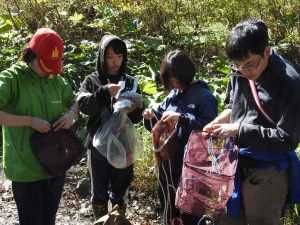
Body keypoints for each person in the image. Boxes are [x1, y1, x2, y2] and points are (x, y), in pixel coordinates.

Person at [203, 18, 300, 225]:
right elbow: (232, 106)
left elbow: (287, 139)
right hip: (235, 162)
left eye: (250, 65)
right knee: (227, 220)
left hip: (268, 170)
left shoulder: (290, 83)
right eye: (237, 66)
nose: (244, 71)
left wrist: (239, 129)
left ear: (267, 51)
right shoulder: (239, 69)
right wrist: (218, 122)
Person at [0, 28, 78, 225]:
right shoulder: (11, 79)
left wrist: (71, 115)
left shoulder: (56, 80)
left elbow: (75, 102)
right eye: (45, 65)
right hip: (25, 169)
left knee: (48, 220)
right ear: (32, 55)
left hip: (55, 164)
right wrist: (29, 121)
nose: (49, 71)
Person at [143, 50, 218, 224]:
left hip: (193, 168)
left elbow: (210, 129)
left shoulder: (204, 97)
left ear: (185, 74)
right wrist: (150, 116)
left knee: (190, 214)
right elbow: (156, 124)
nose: (174, 84)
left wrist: (182, 118)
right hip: (168, 166)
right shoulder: (173, 95)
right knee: (169, 211)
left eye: (175, 79)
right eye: (170, 80)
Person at [77, 34, 144, 220]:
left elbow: (138, 118)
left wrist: (135, 109)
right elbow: (84, 107)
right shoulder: (92, 80)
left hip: (123, 143)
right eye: (110, 57)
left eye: (119, 57)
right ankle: (100, 218)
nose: (115, 62)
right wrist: (103, 93)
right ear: (101, 56)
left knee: (121, 188)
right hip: (97, 145)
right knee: (98, 189)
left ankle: (117, 218)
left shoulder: (130, 82)